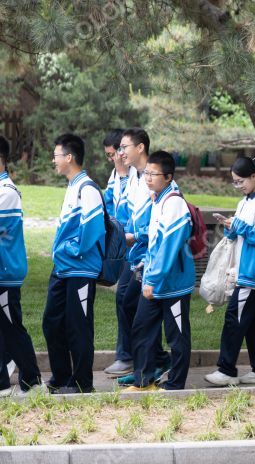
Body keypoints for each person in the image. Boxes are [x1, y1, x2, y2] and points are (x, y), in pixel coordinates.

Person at [205, 158, 255, 386]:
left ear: (253, 176)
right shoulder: (245, 202)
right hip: (246, 270)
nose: (238, 186)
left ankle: (226, 370)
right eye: (235, 183)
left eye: (240, 182)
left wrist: (238, 226)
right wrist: (231, 228)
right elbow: (243, 234)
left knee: (234, 319)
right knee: (252, 321)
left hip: (254, 272)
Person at [124, 151, 194, 391]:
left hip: (173, 284)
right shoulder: (158, 200)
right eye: (147, 173)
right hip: (154, 280)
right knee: (141, 328)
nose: (148, 178)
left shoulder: (174, 203)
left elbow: (168, 247)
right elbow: (155, 243)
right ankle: (142, 381)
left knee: (177, 335)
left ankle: (176, 385)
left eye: (153, 174)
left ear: (168, 177)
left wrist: (152, 278)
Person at [44, 134, 106, 394]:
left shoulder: (87, 188)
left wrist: (70, 249)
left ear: (69, 157)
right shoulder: (72, 187)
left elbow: (92, 229)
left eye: (56, 155)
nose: (53, 160)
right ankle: (62, 377)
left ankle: (82, 384)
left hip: (80, 270)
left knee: (78, 326)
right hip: (63, 269)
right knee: (52, 321)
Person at [112, 128, 171, 385]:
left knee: (136, 307)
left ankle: (151, 363)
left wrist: (135, 236)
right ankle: (146, 361)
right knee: (127, 303)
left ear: (140, 148)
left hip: (146, 254)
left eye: (124, 147)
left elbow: (160, 223)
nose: (120, 152)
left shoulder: (155, 179)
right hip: (132, 252)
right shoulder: (136, 176)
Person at [0, 136, 42, 396]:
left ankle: (33, 380)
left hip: (5, 273)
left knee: (12, 327)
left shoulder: (7, 193)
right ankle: (2, 382)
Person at [102, 128, 137, 376]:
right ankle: (130, 355)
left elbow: (129, 209)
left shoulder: (135, 176)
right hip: (121, 246)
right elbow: (108, 203)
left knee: (126, 299)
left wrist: (123, 173)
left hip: (135, 246)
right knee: (126, 299)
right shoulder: (115, 175)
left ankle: (131, 356)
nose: (113, 158)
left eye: (113, 153)